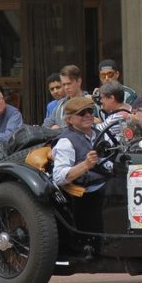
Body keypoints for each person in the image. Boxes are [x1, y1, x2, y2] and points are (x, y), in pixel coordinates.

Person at [51, 96, 105, 231]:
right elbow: (58, 177)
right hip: (87, 191)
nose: (87, 115)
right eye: (81, 113)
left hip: (107, 183)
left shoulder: (100, 133)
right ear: (69, 119)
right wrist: (85, 165)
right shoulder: (66, 141)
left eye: (90, 111)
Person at [43, 65, 89, 129]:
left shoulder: (90, 101)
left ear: (79, 81)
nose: (66, 87)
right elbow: (45, 126)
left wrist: (59, 130)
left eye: (69, 83)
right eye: (64, 84)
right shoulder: (60, 104)